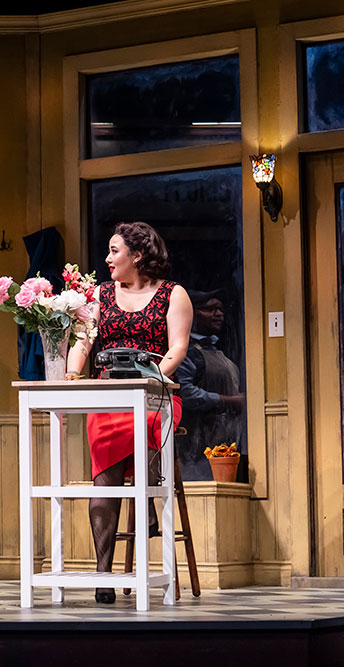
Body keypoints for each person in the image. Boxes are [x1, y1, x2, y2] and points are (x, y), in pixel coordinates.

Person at [65, 221, 192, 604]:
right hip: (107, 398)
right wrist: (72, 372)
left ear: (138, 255)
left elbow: (177, 349)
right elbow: (83, 343)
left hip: (156, 395)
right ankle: (104, 573)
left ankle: (147, 498)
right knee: (105, 476)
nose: (107, 258)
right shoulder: (101, 295)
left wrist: (151, 380)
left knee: (150, 422)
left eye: (114, 251)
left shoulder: (173, 295)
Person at [175, 290, 245, 480]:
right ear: (192, 314)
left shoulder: (217, 351)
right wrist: (229, 401)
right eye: (209, 309)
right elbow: (186, 393)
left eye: (220, 309)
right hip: (196, 447)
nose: (218, 314)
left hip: (225, 441)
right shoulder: (186, 352)